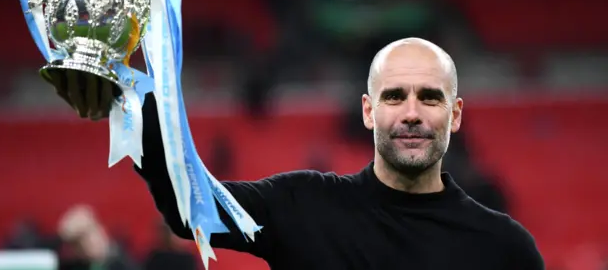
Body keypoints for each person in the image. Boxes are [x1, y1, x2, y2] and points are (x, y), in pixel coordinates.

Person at [51, 37, 544, 269]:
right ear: (369, 112)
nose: (411, 113)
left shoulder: (504, 249)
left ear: (455, 115)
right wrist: (131, 108)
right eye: (395, 97)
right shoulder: (303, 205)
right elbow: (190, 209)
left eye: (429, 97)